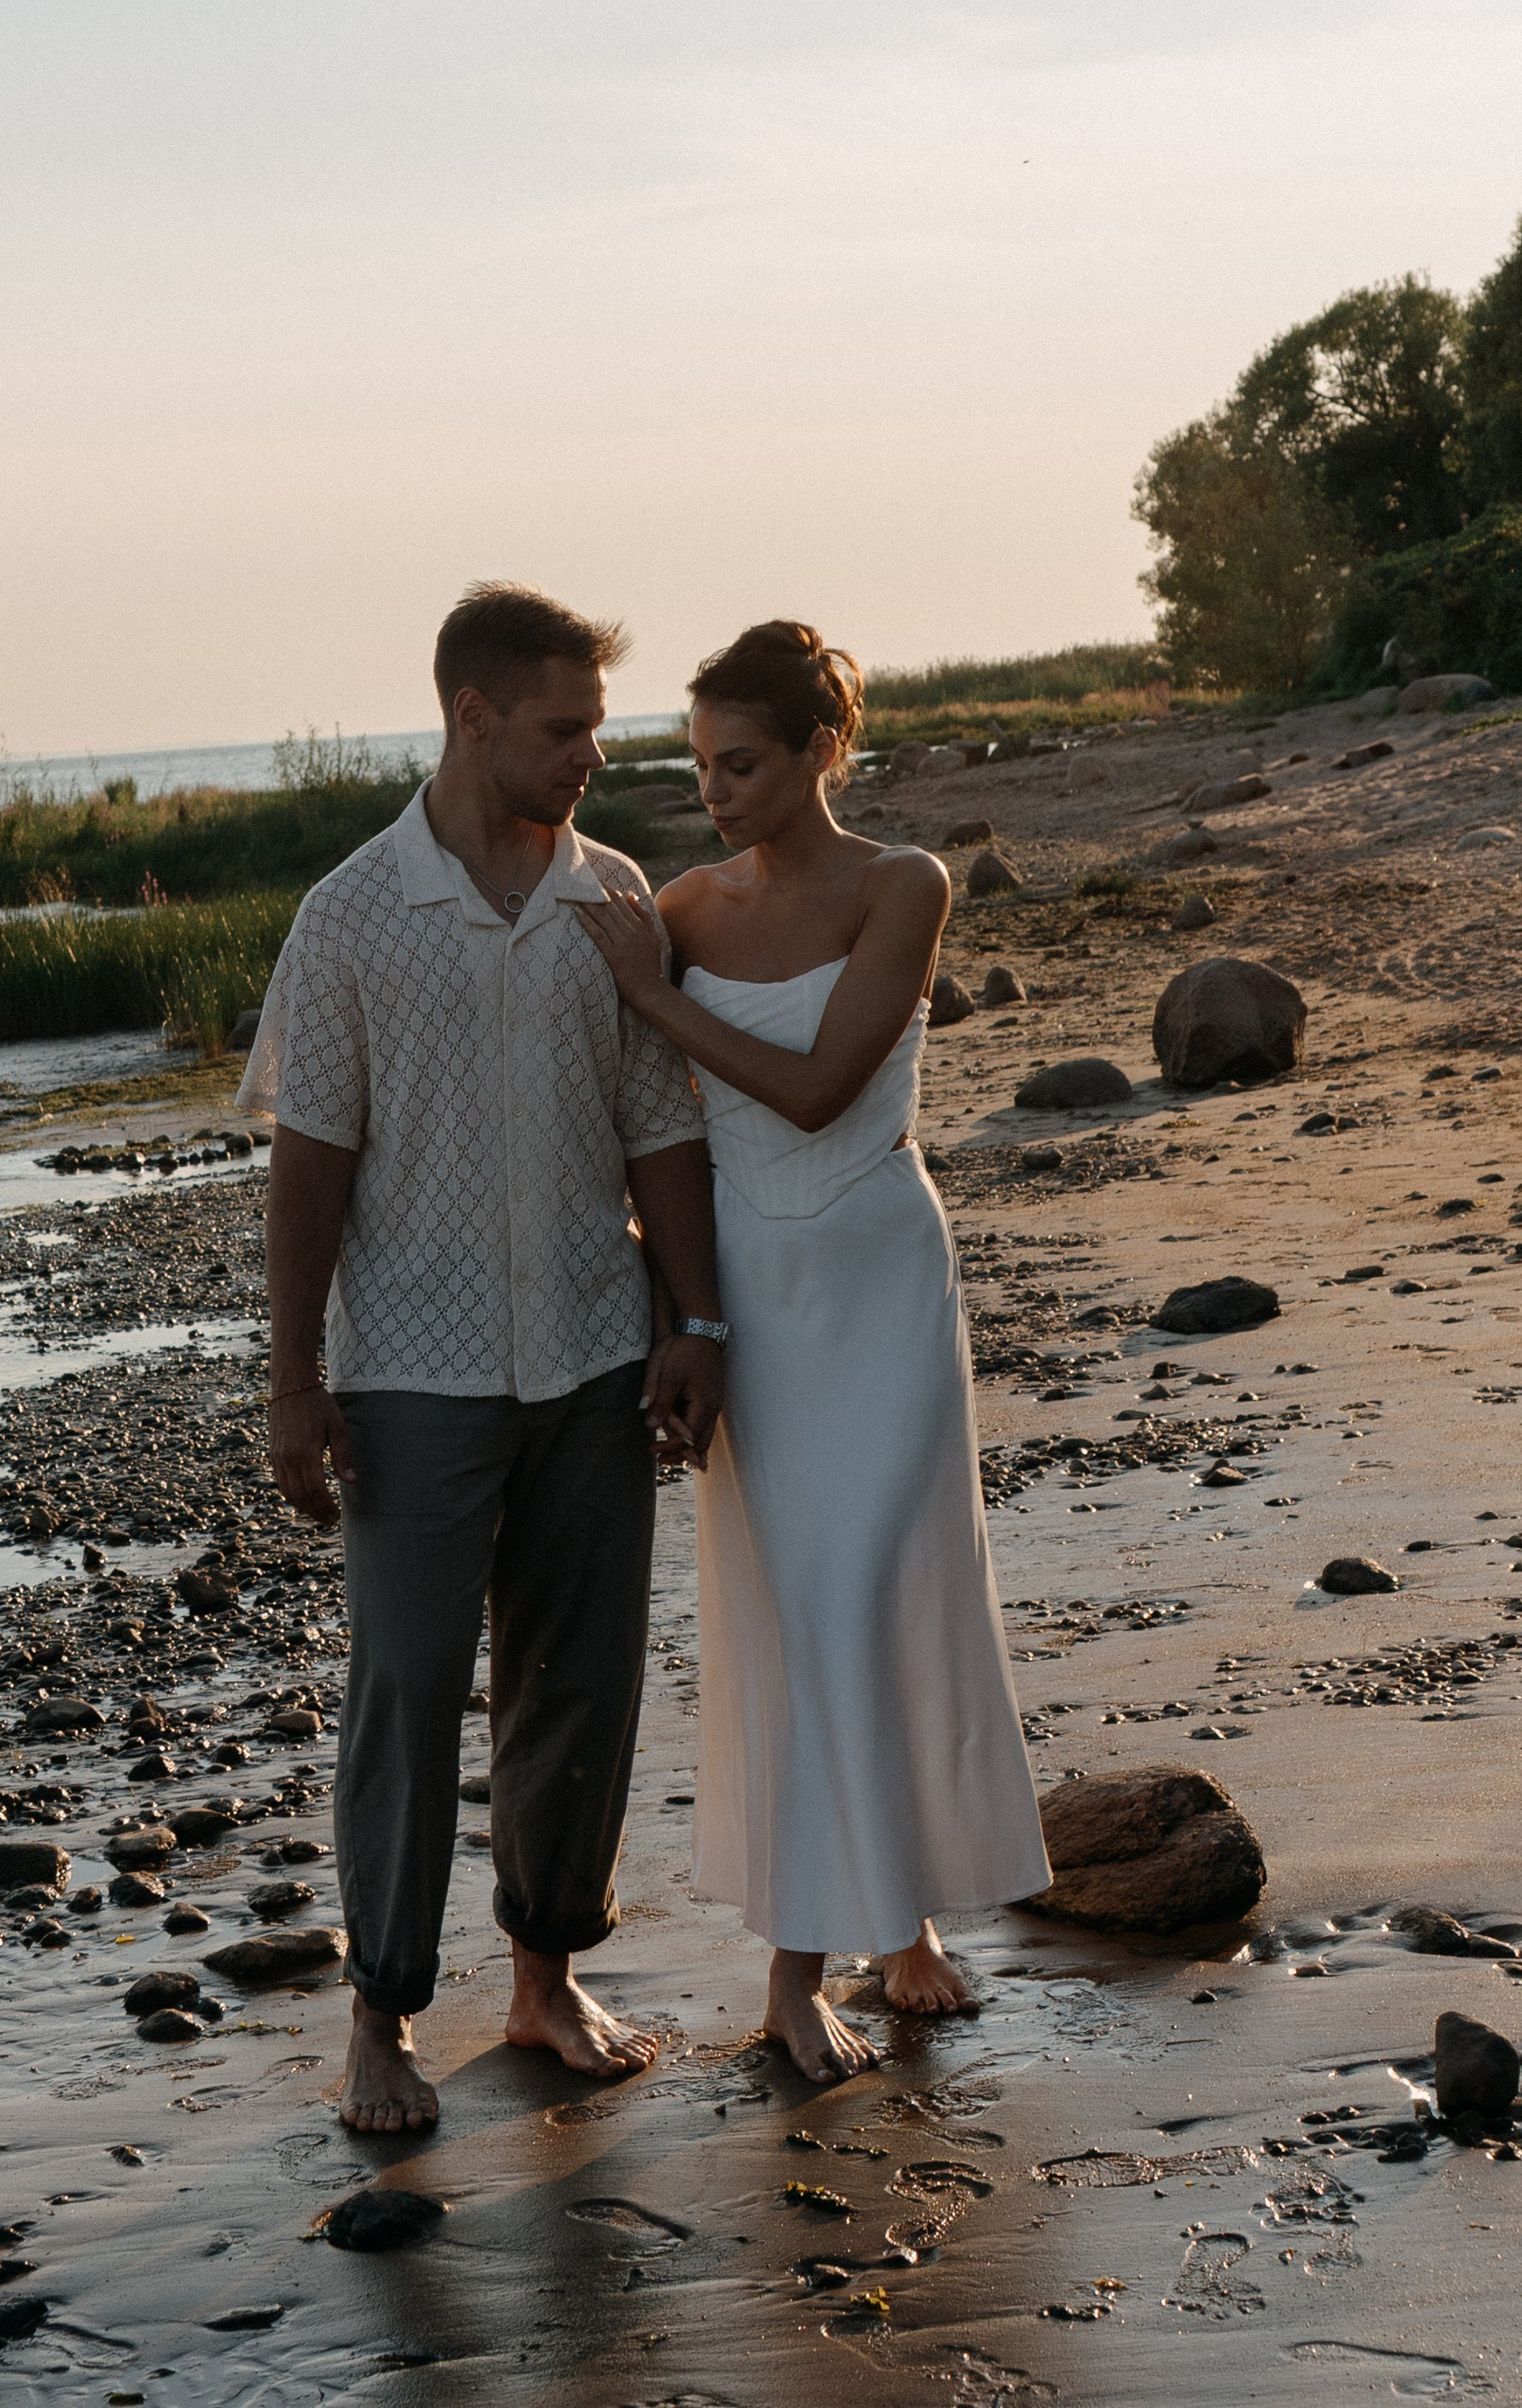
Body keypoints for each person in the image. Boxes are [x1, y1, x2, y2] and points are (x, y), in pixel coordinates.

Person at [241, 581, 728, 2137]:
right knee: (405, 1693)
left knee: (578, 1686)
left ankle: (544, 1981)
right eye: (565, 727)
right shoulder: (349, 917)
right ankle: (381, 2016)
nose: (594, 754)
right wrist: (294, 1381)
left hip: (594, 1357)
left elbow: (660, 1135)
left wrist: (696, 1325)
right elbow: (310, 1162)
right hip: (411, 1376)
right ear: (472, 717)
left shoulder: (615, 900)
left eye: (597, 725)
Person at [574, 619, 1049, 2084]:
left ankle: (896, 1925)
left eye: (742, 764)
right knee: (798, 1608)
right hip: (752, 1295)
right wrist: (674, 1308)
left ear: (821, 752)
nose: (712, 792)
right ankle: (804, 1970)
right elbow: (637, 1115)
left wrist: (654, 994)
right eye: (698, 765)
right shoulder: (681, 907)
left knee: (889, 1589)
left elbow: (822, 1086)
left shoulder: (906, 884)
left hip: (880, 1274)